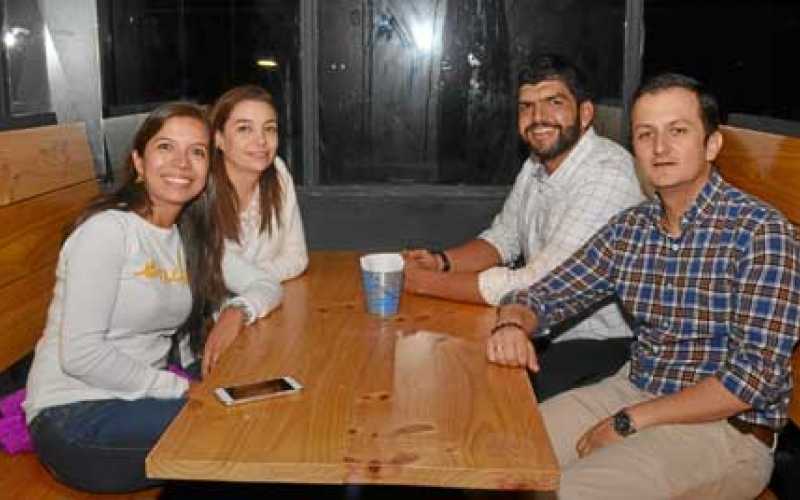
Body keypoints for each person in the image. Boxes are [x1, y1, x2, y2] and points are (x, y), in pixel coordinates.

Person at [489, 73, 800, 498]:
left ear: (711, 144)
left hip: (727, 429)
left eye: (678, 131)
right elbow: (547, 291)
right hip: (634, 388)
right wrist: (513, 322)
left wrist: (630, 421)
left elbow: (754, 378)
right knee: (495, 457)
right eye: (645, 134)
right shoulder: (631, 228)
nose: (660, 147)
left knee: (569, 493)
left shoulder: (761, 232)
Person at [23, 102, 283, 493]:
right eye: (165, 147)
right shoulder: (108, 232)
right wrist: (181, 389)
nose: (182, 163)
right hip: (76, 416)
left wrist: (237, 311)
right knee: (248, 432)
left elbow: (266, 284)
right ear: (139, 163)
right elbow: (80, 354)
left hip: (141, 400)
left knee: (269, 408)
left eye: (197, 152)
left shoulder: (190, 236)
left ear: (207, 170)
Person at [404, 54, 644, 400]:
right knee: (437, 362)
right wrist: (441, 262)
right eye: (526, 106)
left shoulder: (609, 175)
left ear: (585, 113)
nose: (538, 117)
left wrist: (423, 283)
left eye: (554, 103)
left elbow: (539, 282)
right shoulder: (538, 162)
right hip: (539, 326)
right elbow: (503, 237)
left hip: (602, 346)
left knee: (477, 391)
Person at [209, 85, 308, 282]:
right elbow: (209, 276)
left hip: (263, 297)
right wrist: (258, 279)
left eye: (269, 129)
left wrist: (253, 279)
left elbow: (297, 258)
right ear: (219, 139)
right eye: (244, 129)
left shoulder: (278, 172)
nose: (261, 140)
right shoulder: (199, 188)